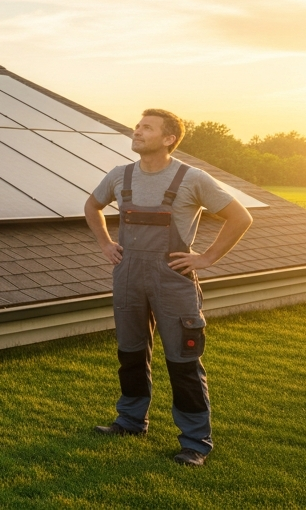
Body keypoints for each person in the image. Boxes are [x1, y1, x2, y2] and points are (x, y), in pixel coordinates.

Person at [83, 108, 253, 467]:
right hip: (127, 277)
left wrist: (206, 258)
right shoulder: (119, 175)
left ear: (168, 138)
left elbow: (241, 217)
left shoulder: (193, 179)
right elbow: (92, 205)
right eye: (137, 126)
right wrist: (104, 243)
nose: (137, 131)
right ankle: (130, 421)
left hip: (173, 282)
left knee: (183, 361)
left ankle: (195, 442)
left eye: (147, 127)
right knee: (130, 354)